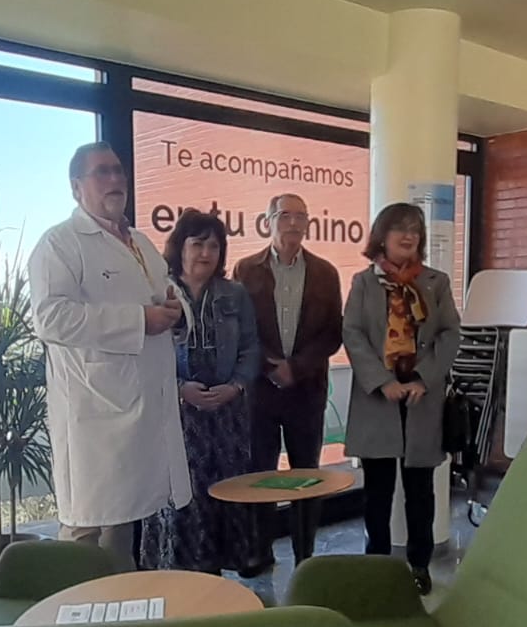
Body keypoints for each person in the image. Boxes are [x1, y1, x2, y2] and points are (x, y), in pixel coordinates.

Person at [29, 142, 190, 571]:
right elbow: (50, 319)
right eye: (103, 172)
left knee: (124, 521)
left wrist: (176, 314)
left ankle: (121, 620)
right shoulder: (59, 244)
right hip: (93, 411)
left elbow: (168, 294)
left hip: (138, 408)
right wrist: (139, 320)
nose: (116, 180)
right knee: (85, 525)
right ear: (76, 187)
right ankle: (74, 626)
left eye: (119, 171)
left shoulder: (139, 241)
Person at [342, 202, 459, 594]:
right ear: (382, 236)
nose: (408, 236)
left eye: (414, 229)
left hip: (420, 400)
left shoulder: (436, 282)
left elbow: (449, 335)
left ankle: (419, 565)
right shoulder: (363, 282)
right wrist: (382, 381)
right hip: (380, 399)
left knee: (420, 490)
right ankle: (376, 565)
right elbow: (353, 334)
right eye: (399, 229)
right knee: (377, 493)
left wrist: (424, 379)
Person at [139, 211, 261, 573]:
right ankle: (183, 582)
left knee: (228, 495)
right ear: (180, 247)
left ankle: (220, 583)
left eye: (214, 245)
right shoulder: (161, 293)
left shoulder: (234, 294)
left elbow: (252, 348)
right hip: (176, 417)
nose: (206, 253)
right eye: (197, 243)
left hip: (228, 417)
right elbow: (145, 356)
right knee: (183, 501)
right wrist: (180, 390)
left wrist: (235, 386)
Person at [231, 193, 343, 572]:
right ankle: (259, 550)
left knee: (305, 475)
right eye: (284, 215)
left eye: (300, 216)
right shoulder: (246, 269)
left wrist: (295, 368)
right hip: (260, 393)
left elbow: (333, 333)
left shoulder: (326, 272)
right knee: (261, 474)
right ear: (268, 221)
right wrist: (268, 365)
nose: (293, 223)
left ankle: (304, 555)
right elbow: (239, 329)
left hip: (307, 390)